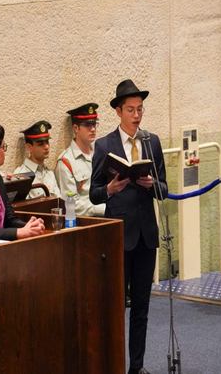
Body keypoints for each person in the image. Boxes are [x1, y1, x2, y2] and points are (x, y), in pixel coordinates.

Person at [90, 79, 167, 374]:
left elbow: (163, 189)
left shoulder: (152, 142)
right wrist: (110, 188)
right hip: (119, 236)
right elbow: (94, 193)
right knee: (115, 307)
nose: (137, 115)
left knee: (142, 309)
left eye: (140, 109)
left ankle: (137, 368)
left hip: (146, 235)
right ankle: (113, 365)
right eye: (131, 110)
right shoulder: (104, 145)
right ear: (119, 112)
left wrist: (151, 185)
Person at [55, 102, 105, 217]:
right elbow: (71, 204)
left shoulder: (100, 154)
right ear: (76, 128)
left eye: (94, 124)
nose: (93, 129)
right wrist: (103, 208)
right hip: (85, 223)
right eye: (87, 125)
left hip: (109, 218)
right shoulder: (66, 161)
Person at [14, 120, 61, 199]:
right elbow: (19, 208)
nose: (46, 147)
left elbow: (59, 203)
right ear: (29, 147)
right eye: (40, 144)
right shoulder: (21, 175)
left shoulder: (50, 174)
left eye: (47, 142)